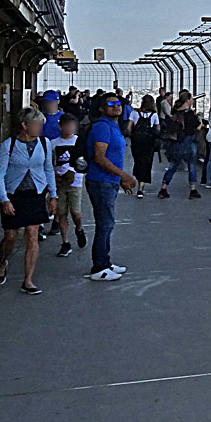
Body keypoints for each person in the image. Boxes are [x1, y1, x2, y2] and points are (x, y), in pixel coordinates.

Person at [0, 107, 58, 294]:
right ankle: (2, 260)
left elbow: (47, 170)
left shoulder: (44, 143)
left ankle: (28, 280)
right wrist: (4, 199)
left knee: (32, 234)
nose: (39, 128)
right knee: (10, 236)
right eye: (36, 125)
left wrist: (53, 195)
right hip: (14, 194)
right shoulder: (9, 145)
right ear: (24, 125)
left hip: (35, 193)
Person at [85, 93, 136, 282]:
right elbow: (100, 157)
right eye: (111, 104)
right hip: (101, 181)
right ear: (101, 108)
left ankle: (105, 262)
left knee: (107, 223)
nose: (116, 106)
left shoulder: (113, 126)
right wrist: (123, 175)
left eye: (119, 103)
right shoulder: (102, 127)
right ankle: (99, 267)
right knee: (105, 224)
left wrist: (119, 178)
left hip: (109, 181)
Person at [51, 114, 88, 257]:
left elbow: (84, 161)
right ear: (61, 126)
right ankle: (65, 242)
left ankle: (79, 228)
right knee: (61, 214)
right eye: (66, 125)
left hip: (75, 181)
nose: (69, 128)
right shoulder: (53, 143)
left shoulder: (79, 141)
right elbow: (50, 162)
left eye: (72, 126)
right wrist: (54, 175)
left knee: (76, 212)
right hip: (59, 182)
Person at [157, 93, 201, 200]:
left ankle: (163, 188)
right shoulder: (190, 114)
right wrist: (199, 121)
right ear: (188, 101)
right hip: (188, 142)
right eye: (191, 99)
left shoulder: (175, 113)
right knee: (191, 166)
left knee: (173, 166)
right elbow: (198, 127)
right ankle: (193, 190)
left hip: (176, 143)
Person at [130, 94, 160, 197]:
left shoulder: (134, 113)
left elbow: (128, 128)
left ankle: (138, 178)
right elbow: (157, 129)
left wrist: (132, 136)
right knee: (146, 163)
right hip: (148, 143)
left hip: (136, 142)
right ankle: (141, 187)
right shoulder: (154, 115)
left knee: (138, 161)